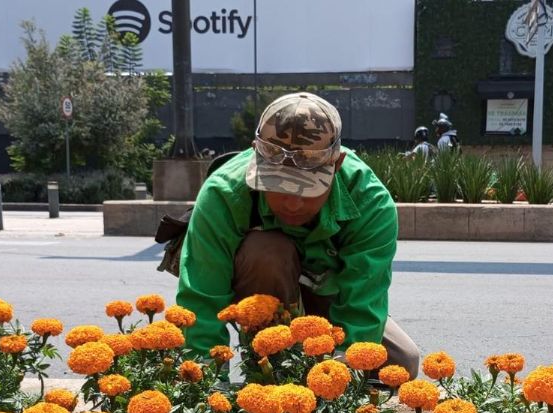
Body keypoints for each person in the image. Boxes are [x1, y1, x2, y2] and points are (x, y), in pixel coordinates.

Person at [175, 92, 420, 377]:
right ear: (256, 155)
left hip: (331, 295)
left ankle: (304, 374)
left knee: (401, 362)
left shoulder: (370, 202)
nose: (292, 202)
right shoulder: (224, 194)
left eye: (307, 190)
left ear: (336, 164)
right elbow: (202, 302)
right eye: (277, 186)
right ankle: (270, 373)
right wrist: (205, 384)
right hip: (261, 285)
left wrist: (339, 381)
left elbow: (361, 307)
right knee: (267, 253)